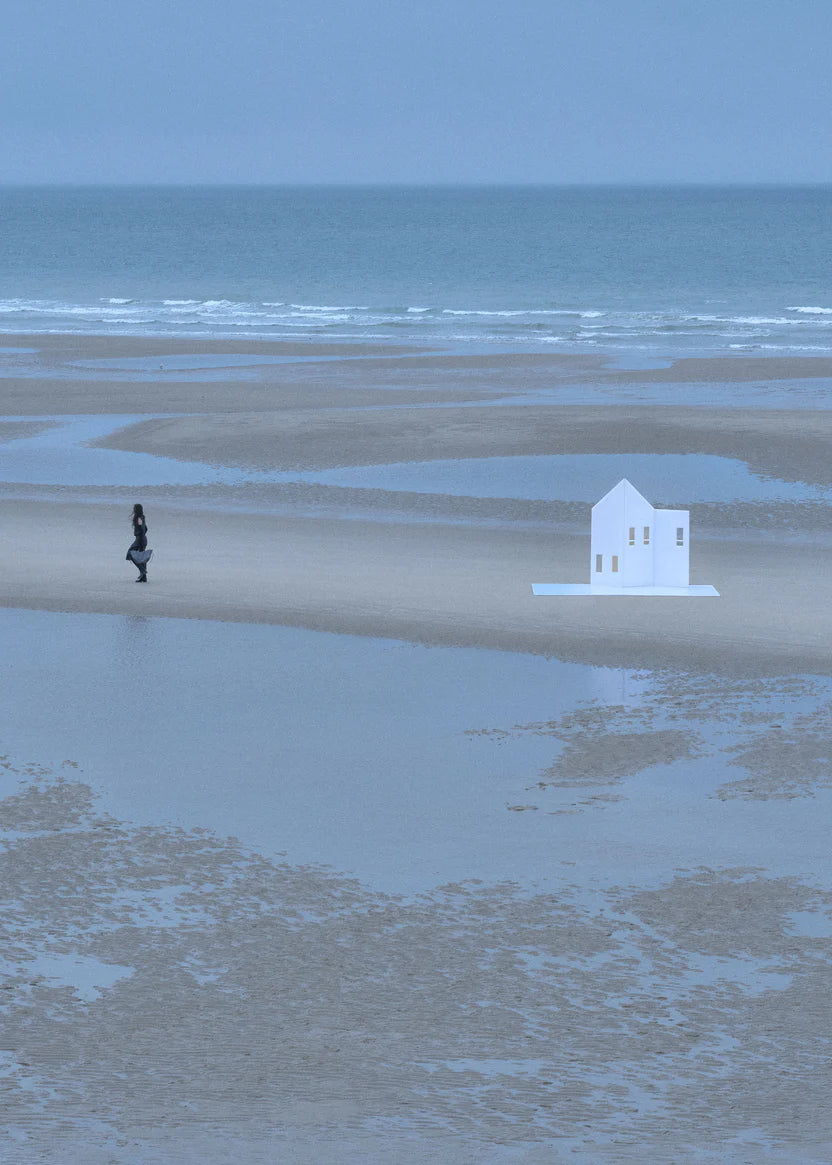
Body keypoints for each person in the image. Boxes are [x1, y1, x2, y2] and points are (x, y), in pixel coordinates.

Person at [127, 503, 150, 582]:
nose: (133, 510)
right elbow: (146, 528)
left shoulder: (139, 518)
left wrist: (140, 539)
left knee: (130, 554)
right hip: (142, 539)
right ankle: (144, 577)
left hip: (140, 539)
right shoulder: (142, 517)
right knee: (142, 558)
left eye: (134, 508)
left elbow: (142, 529)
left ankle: (143, 571)